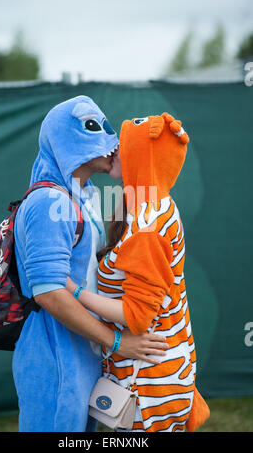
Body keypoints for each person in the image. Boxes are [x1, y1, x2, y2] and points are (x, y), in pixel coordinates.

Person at [12, 96, 168, 432]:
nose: (112, 140)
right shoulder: (49, 201)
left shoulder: (85, 195)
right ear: (67, 139)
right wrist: (116, 342)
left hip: (83, 349)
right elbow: (49, 293)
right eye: (94, 127)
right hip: (54, 353)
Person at [66, 112, 210, 432]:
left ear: (141, 158)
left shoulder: (148, 226)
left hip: (150, 387)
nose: (113, 150)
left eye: (122, 147)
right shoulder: (146, 206)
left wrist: (75, 292)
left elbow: (136, 316)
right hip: (153, 376)